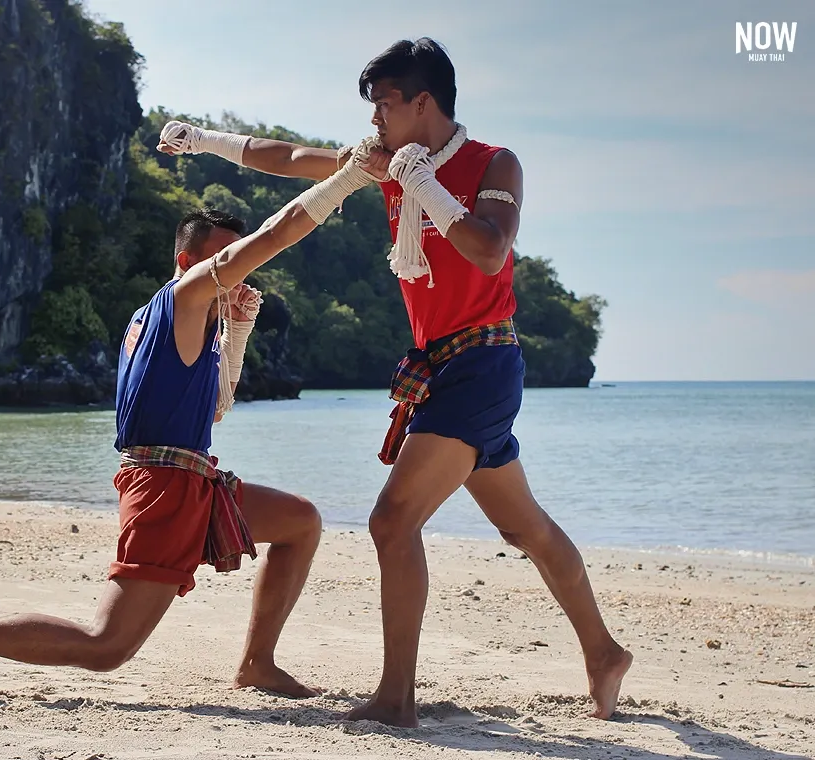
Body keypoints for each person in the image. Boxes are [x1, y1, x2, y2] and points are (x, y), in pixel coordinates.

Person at [157, 37, 632, 725]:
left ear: (423, 102)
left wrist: (422, 182)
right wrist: (204, 138)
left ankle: (396, 698)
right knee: (527, 527)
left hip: (484, 363)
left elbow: (490, 250)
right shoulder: (381, 163)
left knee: (391, 520)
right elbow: (289, 159)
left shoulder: (492, 164)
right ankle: (604, 652)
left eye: (384, 104)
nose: (374, 120)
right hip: (439, 368)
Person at [0, 150, 380, 697]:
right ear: (188, 263)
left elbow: (216, 407)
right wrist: (349, 178)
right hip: (162, 487)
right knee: (105, 646)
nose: (238, 269)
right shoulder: (181, 298)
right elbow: (276, 233)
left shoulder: (186, 322)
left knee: (299, 521)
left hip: (191, 477)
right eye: (226, 259)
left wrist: (240, 330)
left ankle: (257, 663)